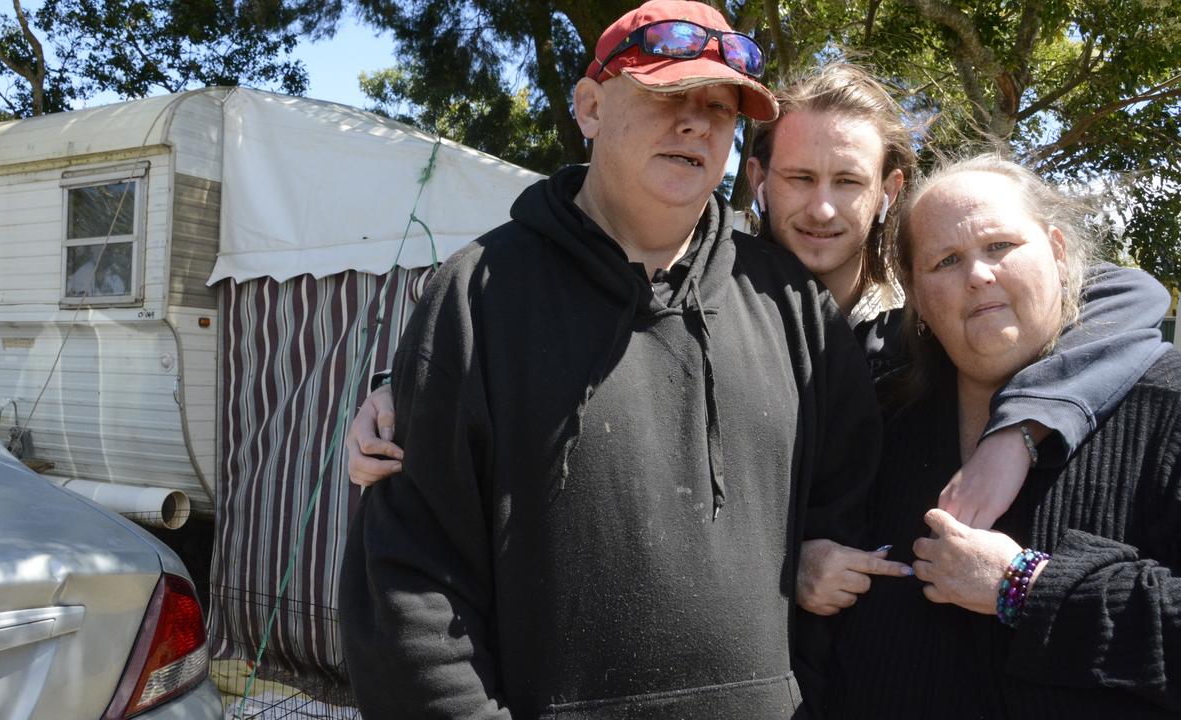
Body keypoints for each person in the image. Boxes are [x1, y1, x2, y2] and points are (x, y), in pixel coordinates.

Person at [347, 62, 1172, 617]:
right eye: (799, 180)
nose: (820, 210)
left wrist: (1023, 429)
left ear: (887, 191)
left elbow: (1120, 293)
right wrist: (410, 388)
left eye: (847, 182)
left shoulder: (920, 319)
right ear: (757, 179)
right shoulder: (689, 295)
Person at [338, 2, 883, 718]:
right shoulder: (477, 298)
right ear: (591, 107)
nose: (697, 123)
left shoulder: (791, 308)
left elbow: (847, 536)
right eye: (668, 95)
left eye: (720, 109)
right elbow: (407, 590)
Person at [827, 155, 1181, 718]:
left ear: (1059, 254)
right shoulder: (882, 418)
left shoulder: (1166, 406)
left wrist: (1029, 588)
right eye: (945, 260)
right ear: (916, 296)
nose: (978, 275)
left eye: (1000, 247)